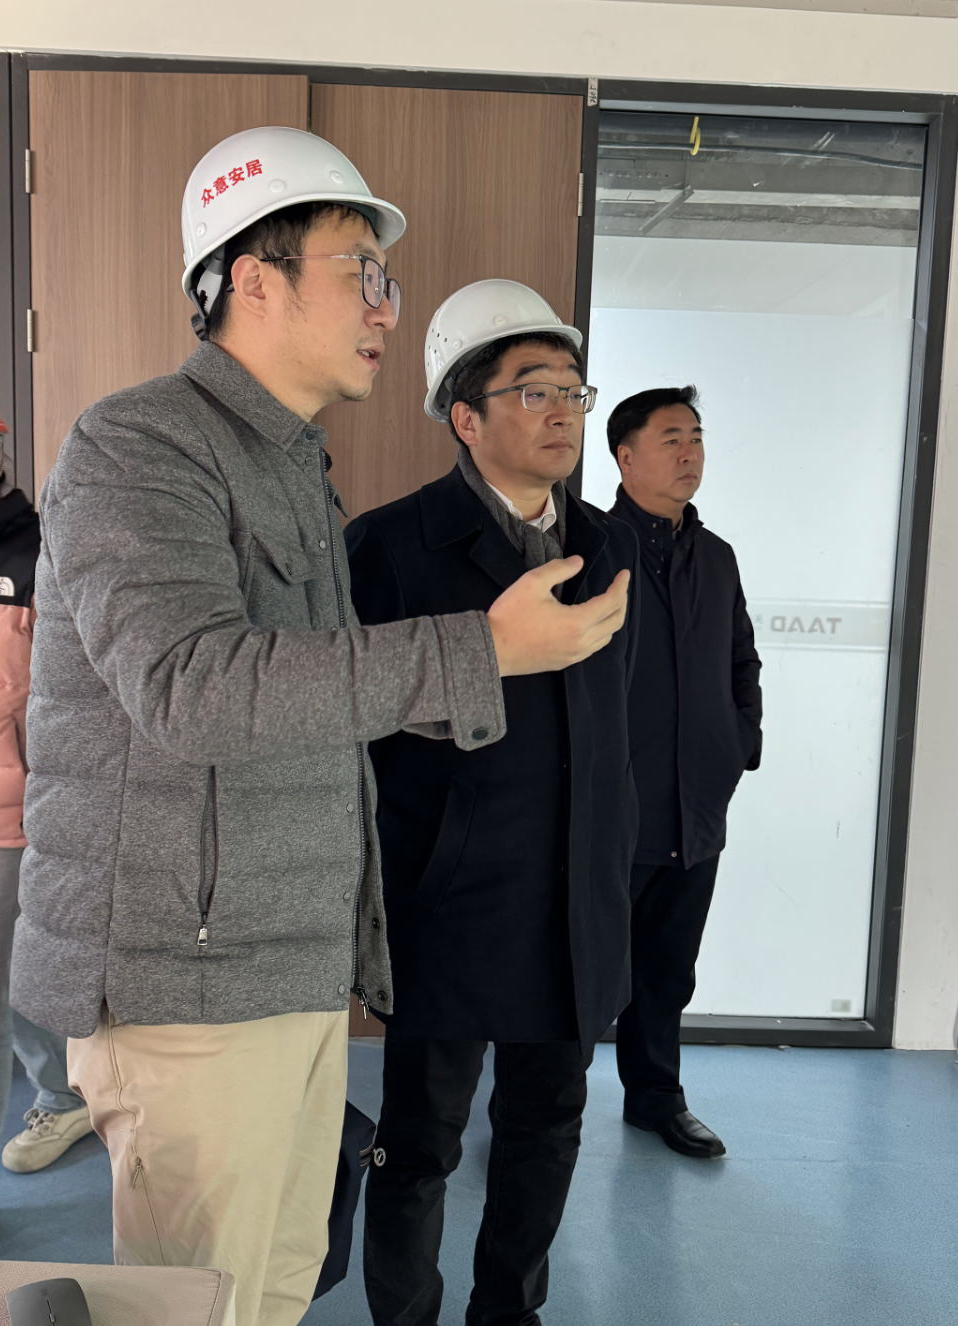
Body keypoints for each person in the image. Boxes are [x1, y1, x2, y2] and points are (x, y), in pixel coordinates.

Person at [9, 130, 629, 1326]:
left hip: (288, 970)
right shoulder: (140, 443)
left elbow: (318, 708)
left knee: (280, 1285)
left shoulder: (295, 465)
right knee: (204, 1302)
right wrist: (482, 651)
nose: (387, 308)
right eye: (360, 272)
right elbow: (188, 686)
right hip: (189, 987)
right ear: (254, 278)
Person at [345, 279, 639, 1326]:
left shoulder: (607, 543)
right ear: (464, 417)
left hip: (575, 901)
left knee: (546, 1129)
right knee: (419, 1141)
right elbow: (351, 728)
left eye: (570, 389)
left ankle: (509, 1314)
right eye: (531, 389)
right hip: (449, 902)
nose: (562, 411)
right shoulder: (389, 547)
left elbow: (613, 726)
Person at [607, 385, 762, 1159]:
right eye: (671, 438)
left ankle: (656, 1100)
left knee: (668, 968)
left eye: (696, 437)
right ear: (625, 456)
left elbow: (741, 660)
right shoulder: (591, 549)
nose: (689, 453)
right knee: (575, 967)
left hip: (695, 801)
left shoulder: (717, 557)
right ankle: (531, 1109)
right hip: (612, 804)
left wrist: (738, 745)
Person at [0, 380, 92, 1246]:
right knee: (10, 979)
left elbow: (75, 694)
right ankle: (63, 1092)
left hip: (1, 816)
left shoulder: (38, 554)